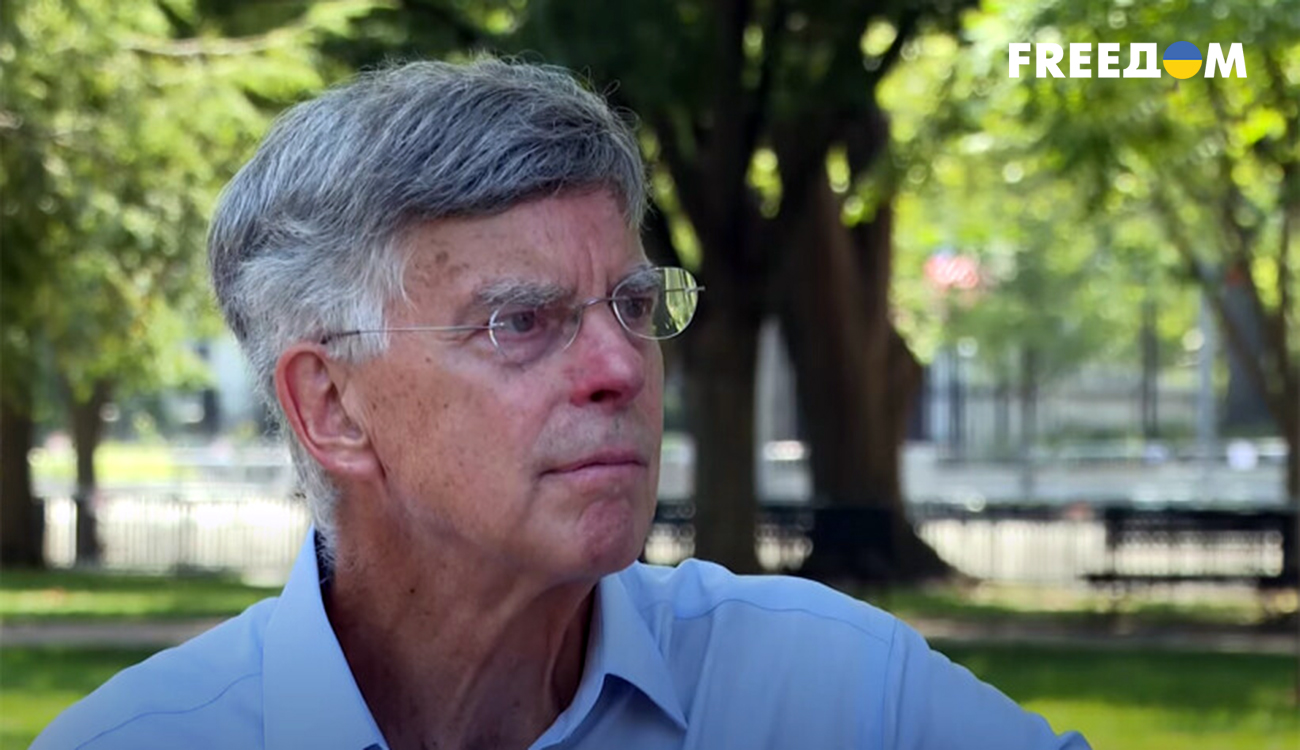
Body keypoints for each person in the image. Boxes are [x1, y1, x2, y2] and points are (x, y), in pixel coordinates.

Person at [35, 58, 1090, 750]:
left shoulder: (833, 697)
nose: (621, 367)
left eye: (633, 304)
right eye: (521, 322)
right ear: (333, 406)